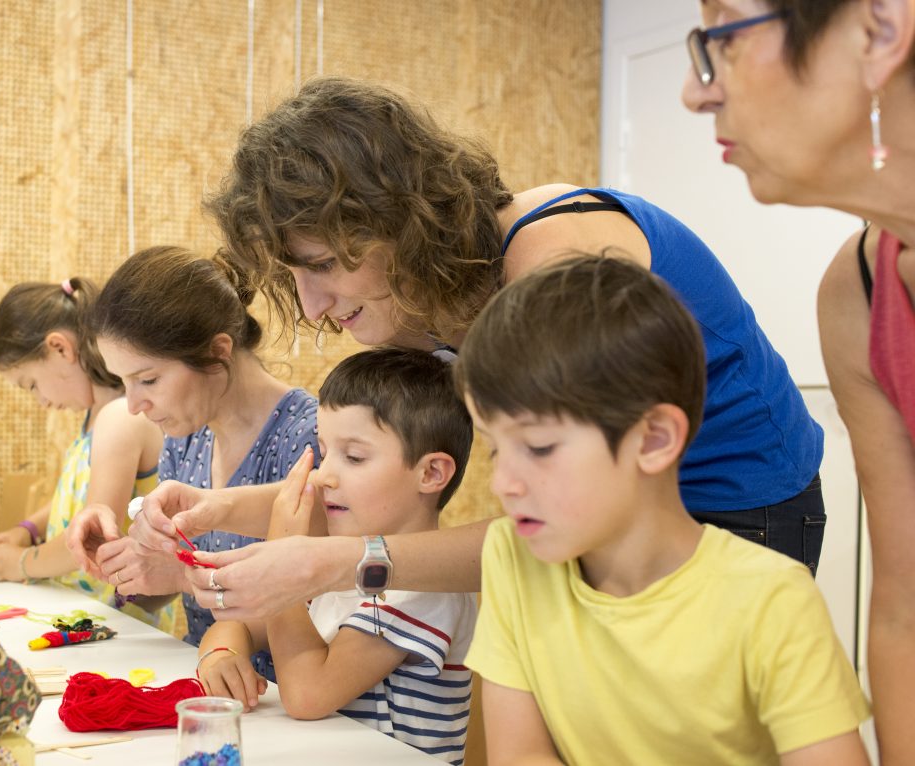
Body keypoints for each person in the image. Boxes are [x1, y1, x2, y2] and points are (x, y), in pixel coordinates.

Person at [93, 76, 824, 622]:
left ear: (394, 220)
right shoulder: (426, 310)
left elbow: (556, 519)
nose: (313, 305)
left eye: (321, 265)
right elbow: (382, 489)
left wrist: (334, 565)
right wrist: (217, 506)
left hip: (741, 506)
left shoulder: (548, 261)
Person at [459, 255, 867, 764]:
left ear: (653, 439)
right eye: (496, 448)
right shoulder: (513, 558)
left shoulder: (771, 600)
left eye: (539, 448)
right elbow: (520, 756)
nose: (503, 483)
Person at [681, 2, 915, 759]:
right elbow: (905, 610)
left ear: (880, 31)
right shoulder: (858, 295)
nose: (696, 90)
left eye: (721, 38)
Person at [198, 348, 476, 765]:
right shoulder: (342, 565)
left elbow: (308, 694)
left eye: (354, 457)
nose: (324, 475)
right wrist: (220, 655)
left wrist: (283, 560)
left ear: (431, 473)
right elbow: (238, 622)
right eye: (324, 452)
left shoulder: (424, 588)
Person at [70, 246, 320, 666]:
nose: (134, 406)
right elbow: (164, 586)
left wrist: (184, 576)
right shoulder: (185, 436)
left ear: (218, 351)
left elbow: (316, 602)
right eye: (124, 383)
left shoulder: (307, 439)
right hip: (201, 683)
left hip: (284, 701)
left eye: (147, 379)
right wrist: (128, 563)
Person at [0, 277, 177, 634]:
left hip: (118, 625)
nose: (40, 401)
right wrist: (28, 529)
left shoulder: (121, 419)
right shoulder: (95, 416)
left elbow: (89, 540)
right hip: (83, 610)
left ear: (59, 348)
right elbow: (77, 501)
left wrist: (22, 563)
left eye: (31, 384)